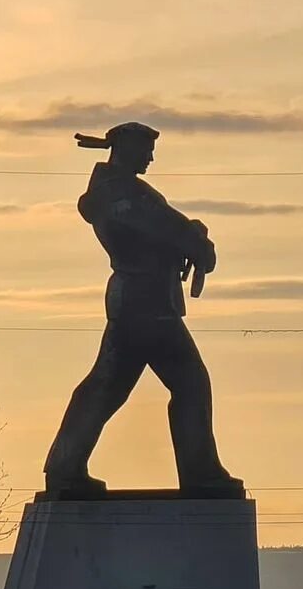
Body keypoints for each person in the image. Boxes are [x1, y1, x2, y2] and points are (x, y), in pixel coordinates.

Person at [43, 121, 239, 496]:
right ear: (126, 150)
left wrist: (187, 233)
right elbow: (165, 227)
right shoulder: (123, 196)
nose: (150, 157)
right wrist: (194, 239)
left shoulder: (117, 193)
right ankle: (200, 474)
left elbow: (164, 228)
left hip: (139, 299)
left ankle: (65, 467)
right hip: (146, 303)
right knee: (189, 382)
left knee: (107, 386)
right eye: (145, 150)